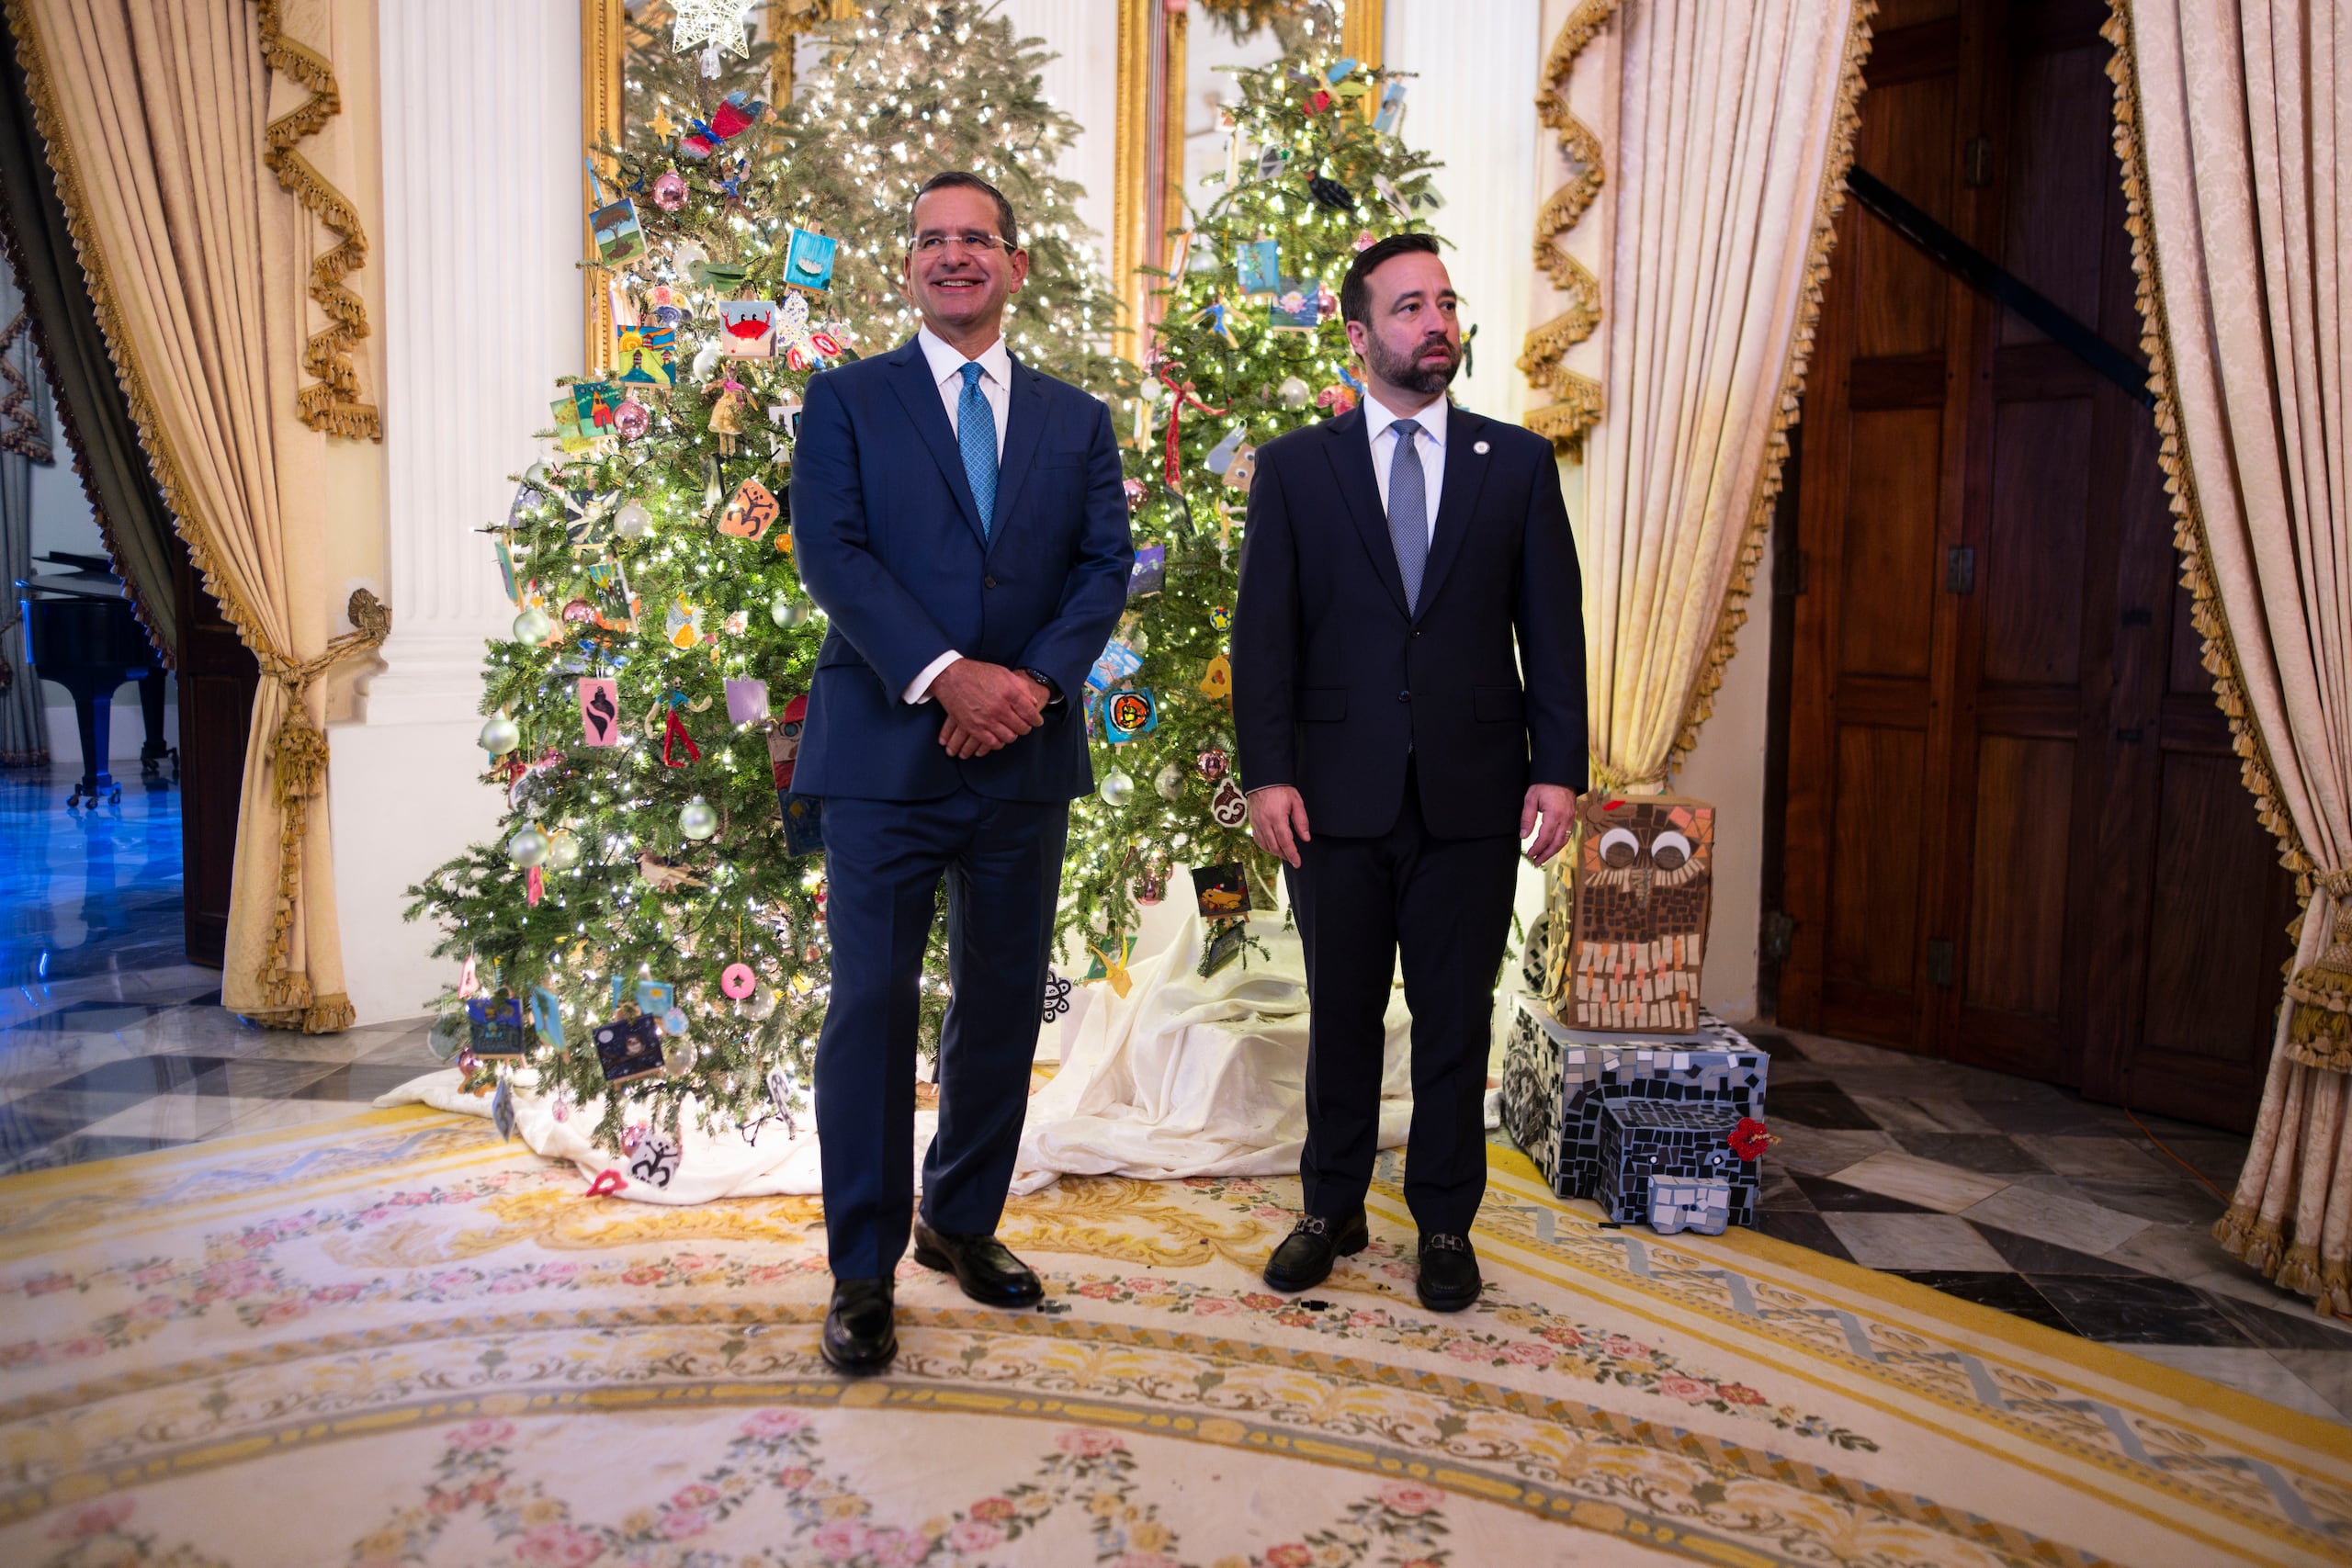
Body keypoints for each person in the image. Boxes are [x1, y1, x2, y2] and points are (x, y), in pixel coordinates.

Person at [790, 171, 1134, 1372]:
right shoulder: (844, 403)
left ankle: (961, 1220)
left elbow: (1106, 565)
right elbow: (830, 552)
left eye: (975, 238)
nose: (953, 256)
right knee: (873, 1008)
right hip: (881, 757)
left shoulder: (1077, 419)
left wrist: (1026, 686)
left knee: (998, 1004)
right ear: (908, 267)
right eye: (932, 239)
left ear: (1014, 264)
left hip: (1024, 756)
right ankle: (860, 1268)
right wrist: (947, 674)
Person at [1231, 233, 1587, 1313]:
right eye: (1407, 308)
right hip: (1331, 794)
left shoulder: (1514, 463)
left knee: (1452, 1016)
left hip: (1475, 794)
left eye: (1444, 303)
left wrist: (1557, 767)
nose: (1434, 323)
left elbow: (1553, 629)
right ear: (1358, 336)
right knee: (1339, 1012)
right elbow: (1265, 636)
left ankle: (1442, 1222)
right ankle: (1328, 1206)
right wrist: (1267, 773)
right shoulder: (1297, 467)